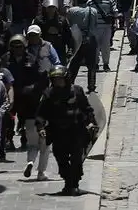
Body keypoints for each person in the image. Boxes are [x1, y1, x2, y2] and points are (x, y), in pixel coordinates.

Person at [36, 65, 98, 195]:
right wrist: (41, 127)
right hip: (58, 133)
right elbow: (41, 113)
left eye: (60, 79)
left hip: (76, 132)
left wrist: (91, 123)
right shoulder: (48, 94)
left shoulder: (77, 91)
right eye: (55, 79)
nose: (58, 82)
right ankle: (67, 183)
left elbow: (87, 110)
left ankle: (74, 184)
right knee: (61, 159)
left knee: (76, 159)